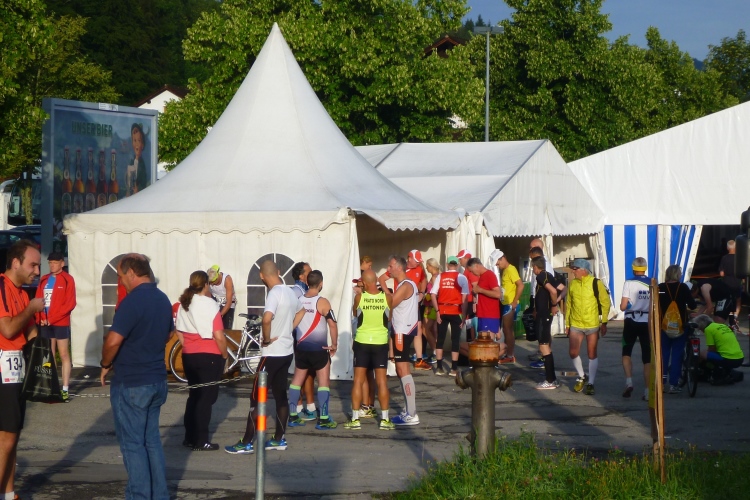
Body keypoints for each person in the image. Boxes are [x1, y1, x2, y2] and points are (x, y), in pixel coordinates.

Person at [100, 254, 174, 499]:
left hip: (132, 380)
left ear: (131, 273)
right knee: (151, 441)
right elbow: (168, 334)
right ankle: (159, 495)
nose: (121, 281)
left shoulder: (131, 302)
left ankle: (139, 495)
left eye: (121, 276)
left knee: (133, 444)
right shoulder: (163, 299)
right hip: (156, 377)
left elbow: (113, 341)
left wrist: (105, 363)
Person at [225, 260, 305, 454]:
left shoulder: (274, 293)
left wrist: (267, 339)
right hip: (286, 352)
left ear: (262, 276)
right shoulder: (290, 291)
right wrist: (288, 329)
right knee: (280, 396)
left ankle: (247, 441)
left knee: (256, 398)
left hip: (272, 354)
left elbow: (267, 318)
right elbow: (302, 311)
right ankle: (279, 438)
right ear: (278, 272)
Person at [0, 240, 44, 500]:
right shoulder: (2, 287)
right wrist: (30, 309)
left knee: (12, 436)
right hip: (4, 367)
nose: (37, 271)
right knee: (6, 437)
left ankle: (8, 493)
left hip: (16, 369)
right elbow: (7, 329)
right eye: (33, 265)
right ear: (15, 263)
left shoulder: (22, 293)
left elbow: (30, 333)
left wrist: (44, 362)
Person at [175, 270, 228, 451]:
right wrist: (225, 355)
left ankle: (189, 437)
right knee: (206, 399)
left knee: (194, 396)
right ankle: (202, 439)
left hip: (189, 354)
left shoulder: (184, 303)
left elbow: (179, 331)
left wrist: (188, 346)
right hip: (209, 355)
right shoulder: (210, 304)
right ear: (206, 285)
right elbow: (219, 336)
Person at [287, 270, 339, 430]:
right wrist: (334, 344)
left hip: (302, 347)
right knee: (323, 382)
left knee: (296, 381)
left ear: (307, 283)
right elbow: (332, 324)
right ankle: (323, 418)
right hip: (319, 349)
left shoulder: (298, 300)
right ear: (321, 284)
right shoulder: (322, 302)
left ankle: (293, 415)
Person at [345, 270, 395, 430]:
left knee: (358, 380)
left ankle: (355, 419)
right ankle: (385, 419)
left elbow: (355, 314)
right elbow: (389, 318)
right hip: (380, 342)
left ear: (365, 283)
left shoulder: (359, 297)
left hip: (362, 342)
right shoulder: (387, 297)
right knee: (382, 381)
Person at [378, 256, 420, 426]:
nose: (388, 269)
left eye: (390, 266)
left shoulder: (405, 285)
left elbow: (390, 303)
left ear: (399, 268)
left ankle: (411, 412)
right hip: (402, 329)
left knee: (403, 370)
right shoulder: (405, 284)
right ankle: (409, 409)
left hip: (403, 331)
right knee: (401, 369)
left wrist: (382, 285)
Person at [35, 251, 76, 401]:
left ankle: (65, 389)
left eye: (55, 263)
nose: (52, 265)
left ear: (62, 263)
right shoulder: (44, 279)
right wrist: (39, 318)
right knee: (49, 355)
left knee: (63, 354)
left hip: (60, 322)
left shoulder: (67, 279)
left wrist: (51, 319)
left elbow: (70, 303)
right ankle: (51, 386)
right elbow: (38, 299)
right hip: (45, 322)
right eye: (50, 263)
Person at [565, 258, 611, 396]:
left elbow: (605, 302)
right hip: (576, 323)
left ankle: (591, 382)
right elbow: (569, 304)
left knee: (592, 354)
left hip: (592, 324)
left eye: (575, 269)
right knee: (573, 352)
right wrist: (567, 324)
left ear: (583, 270)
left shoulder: (596, 283)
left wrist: (604, 322)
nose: (573, 272)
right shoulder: (572, 284)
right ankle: (582, 376)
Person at [658, 265, 696, 394]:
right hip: (680, 326)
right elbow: (692, 305)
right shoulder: (683, 287)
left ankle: (662, 383)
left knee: (664, 353)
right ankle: (673, 384)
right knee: (677, 354)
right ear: (677, 274)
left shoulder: (660, 287)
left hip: (664, 325)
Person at [429, 255, 469, 376]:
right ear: (457, 265)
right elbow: (465, 299)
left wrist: (437, 311)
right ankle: (453, 369)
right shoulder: (462, 277)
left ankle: (439, 367)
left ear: (447, 265)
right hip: (456, 310)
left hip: (442, 310)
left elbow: (432, 294)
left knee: (440, 339)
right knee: (455, 339)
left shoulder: (440, 276)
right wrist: (464, 315)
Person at [619, 257, 651, 400]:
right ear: (645, 268)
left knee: (626, 352)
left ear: (633, 268)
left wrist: (629, 305)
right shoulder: (652, 282)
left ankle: (629, 382)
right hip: (647, 321)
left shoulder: (629, 282)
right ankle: (647, 390)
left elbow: (622, 306)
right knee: (647, 357)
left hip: (631, 320)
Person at [290, 261, 317, 421]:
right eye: (309, 272)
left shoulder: (307, 291)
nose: (311, 273)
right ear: (301, 276)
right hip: (297, 338)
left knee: (310, 372)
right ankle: (298, 407)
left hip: (308, 338)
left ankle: (310, 406)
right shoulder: (295, 291)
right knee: (299, 373)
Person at [530, 257, 560, 389]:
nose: (533, 270)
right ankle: (552, 378)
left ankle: (550, 380)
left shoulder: (541, 276)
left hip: (544, 315)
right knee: (546, 345)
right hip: (544, 314)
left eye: (533, 267)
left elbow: (553, 291)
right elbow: (562, 288)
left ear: (536, 267)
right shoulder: (549, 275)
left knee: (543, 346)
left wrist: (554, 304)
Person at [692, 314, 745, 382]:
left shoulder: (708, 329)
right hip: (740, 358)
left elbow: (711, 349)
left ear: (701, 326)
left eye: (700, 329)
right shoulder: (723, 326)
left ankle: (699, 371)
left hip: (729, 359)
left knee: (701, 354)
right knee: (709, 354)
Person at [496, 250, 523, 363]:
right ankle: (509, 354)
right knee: (508, 330)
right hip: (506, 303)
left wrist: (515, 301)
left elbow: (520, 285)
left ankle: (510, 355)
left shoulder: (511, 269)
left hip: (510, 304)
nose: (497, 266)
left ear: (503, 259)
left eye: (498, 263)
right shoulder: (505, 270)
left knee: (508, 330)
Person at [466, 257, 501, 340]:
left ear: (476, 266)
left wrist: (480, 290)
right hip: (483, 314)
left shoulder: (489, 275)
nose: (472, 273)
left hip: (489, 315)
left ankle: (505, 347)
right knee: (483, 342)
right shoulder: (482, 277)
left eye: (471, 271)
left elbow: (498, 294)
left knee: (487, 342)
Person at [719, 240, 744, 334]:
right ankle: (735, 317)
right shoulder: (740, 258)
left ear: (727, 248)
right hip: (737, 282)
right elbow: (743, 273)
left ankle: (729, 318)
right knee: (738, 300)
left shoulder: (724, 258)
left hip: (726, 283)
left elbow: (721, 274)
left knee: (728, 301)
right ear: (736, 248)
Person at [457, 249, 480, 342]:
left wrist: (474, 301)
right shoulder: (466, 271)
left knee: (472, 326)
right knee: (469, 326)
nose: (459, 261)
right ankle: (471, 343)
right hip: (468, 301)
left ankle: (473, 343)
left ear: (466, 258)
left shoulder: (470, 271)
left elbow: (475, 286)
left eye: (460, 259)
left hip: (471, 302)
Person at [422, 258, 440, 363]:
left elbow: (436, 293)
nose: (426, 268)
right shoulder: (437, 276)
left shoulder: (434, 277)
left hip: (431, 307)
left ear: (431, 266)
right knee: (433, 330)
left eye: (427, 266)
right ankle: (436, 352)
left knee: (425, 329)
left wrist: (428, 298)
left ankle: (436, 351)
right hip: (431, 306)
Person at [207, 264, 236, 329]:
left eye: (213, 282)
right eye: (210, 282)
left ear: (218, 277)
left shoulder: (227, 279)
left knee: (226, 327)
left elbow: (229, 301)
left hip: (228, 304)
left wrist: (220, 315)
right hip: (216, 301)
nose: (212, 284)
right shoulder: (209, 281)